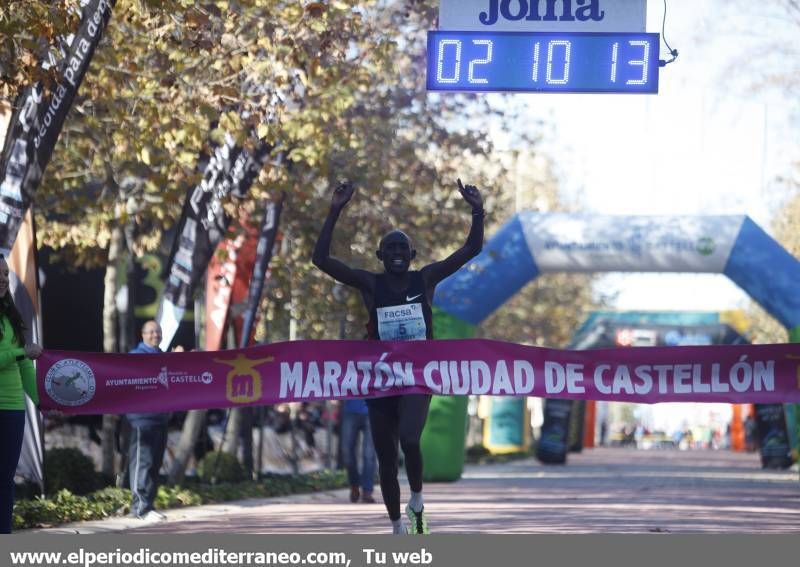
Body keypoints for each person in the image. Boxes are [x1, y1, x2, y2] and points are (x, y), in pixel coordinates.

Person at [313, 178, 484, 534]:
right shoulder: (370, 284)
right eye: (389, 247)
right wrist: (334, 210)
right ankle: (396, 525)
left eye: (401, 248)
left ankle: (417, 498)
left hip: (418, 377)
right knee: (386, 460)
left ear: (412, 255)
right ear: (379, 256)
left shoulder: (426, 279)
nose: (395, 252)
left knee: (409, 439)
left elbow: (470, 250)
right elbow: (321, 260)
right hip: (380, 381)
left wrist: (477, 210)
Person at [0, 254, 42, 533]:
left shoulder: (10, 315)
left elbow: (26, 366)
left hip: (14, 409)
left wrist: (43, 401)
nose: (3, 280)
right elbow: (16, 356)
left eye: (5, 274)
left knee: (5, 480)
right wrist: (20, 352)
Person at [125, 320, 169, 521]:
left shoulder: (162, 356)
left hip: (160, 418)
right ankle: (140, 508)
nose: (155, 335)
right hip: (141, 419)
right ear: (142, 335)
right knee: (142, 463)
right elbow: (148, 370)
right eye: (151, 332)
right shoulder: (136, 356)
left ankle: (148, 505)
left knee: (154, 464)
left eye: (158, 332)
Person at [340, 398, 377, 504]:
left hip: (372, 409)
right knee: (346, 450)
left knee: (369, 454)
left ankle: (367, 491)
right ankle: (354, 485)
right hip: (350, 409)